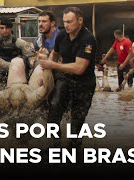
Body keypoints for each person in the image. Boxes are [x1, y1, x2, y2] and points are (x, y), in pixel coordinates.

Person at [39, 7, 97, 149]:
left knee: (76, 124)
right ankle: (54, 147)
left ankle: (73, 152)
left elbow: (79, 68)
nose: (66, 25)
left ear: (80, 20)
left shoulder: (88, 39)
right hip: (64, 80)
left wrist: (52, 64)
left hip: (84, 84)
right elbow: (54, 54)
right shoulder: (62, 35)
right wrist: (47, 73)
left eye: (69, 22)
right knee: (53, 110)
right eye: (64, 22)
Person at [0, 16, 35, 84]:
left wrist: (31, 63)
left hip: (18, 79)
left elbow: (31, 57)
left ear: (10, 28)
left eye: (7, 28)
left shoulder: (20, 43)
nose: (4, 30)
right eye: (2, 28)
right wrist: (14, 66)